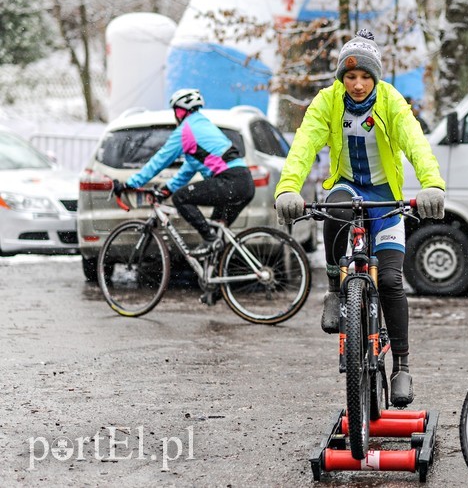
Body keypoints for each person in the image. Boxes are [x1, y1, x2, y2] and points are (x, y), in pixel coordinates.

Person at [274, 29, 446, 407]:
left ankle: (401, 367)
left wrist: (432, 184)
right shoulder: (327, 101)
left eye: (365, 76)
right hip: (348, 189)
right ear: (341, 77)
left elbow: (416, 142)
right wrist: (288, 188)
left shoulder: (391, 102)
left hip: (386, 200)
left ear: (376, 77)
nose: (357, 84)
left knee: (389, 280)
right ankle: (336, 288)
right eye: (350, 76)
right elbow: (304, 145)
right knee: (334, 206)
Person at [112, 88, 255, 256]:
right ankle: (216, 275)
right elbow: (189, 168)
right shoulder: (202, 126)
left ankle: (210, 240)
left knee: (182, 198)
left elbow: (161, 159)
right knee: (217, 235)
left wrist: (130, 183)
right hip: (243, 183)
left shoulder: (186, 131)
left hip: (229, 181)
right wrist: (167, 189)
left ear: (180, 111)